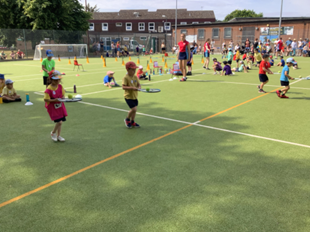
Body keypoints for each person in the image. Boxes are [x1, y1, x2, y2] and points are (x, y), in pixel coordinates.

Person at [44, 71, 67, 142]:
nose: (57, 81)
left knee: (60, 122)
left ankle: (58, 136)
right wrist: (54, 100)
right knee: (59, 122)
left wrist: (63, 97)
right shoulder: (48, 89)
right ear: (51, 80)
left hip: (60, 106)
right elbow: (46, 99)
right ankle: (53, 132)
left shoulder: (60, 86)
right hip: (53, 107)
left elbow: (63, 94)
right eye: (55, 80)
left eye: (58, 80)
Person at [122, 62, 141, 129]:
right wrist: (132, 88)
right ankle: (127, 119)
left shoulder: (135, 76)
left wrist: (139, 87)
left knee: (134, 110)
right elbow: (123, 87)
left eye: (135, 70)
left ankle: (132, 121)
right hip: (128, 96)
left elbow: (138, 84)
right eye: (133, 70)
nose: (134, 71)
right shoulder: (125, 78)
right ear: (128, 70)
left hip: (134, 96)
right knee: (134, 109)